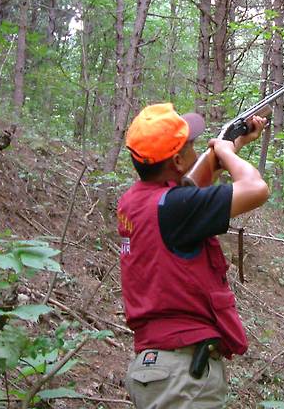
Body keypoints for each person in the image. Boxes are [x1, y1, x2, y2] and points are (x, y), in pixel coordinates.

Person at [117, 102, 269, 408]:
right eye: (190, 145)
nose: (195, 149)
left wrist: (234, 141)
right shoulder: (174, 207)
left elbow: (188, 188)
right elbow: (256, 189)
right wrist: (225, 152)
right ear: (176, 160)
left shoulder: (133, 202)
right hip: (183, 375)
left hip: (160, 369)